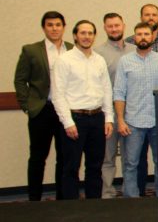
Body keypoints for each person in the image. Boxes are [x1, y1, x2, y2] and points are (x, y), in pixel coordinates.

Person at [51, 20, 114, 199]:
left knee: (95, 166)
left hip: (97, 118)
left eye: (90, 33)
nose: (87, 37)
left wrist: (108, 118)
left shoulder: (99, 60)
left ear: (94, 36)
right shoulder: (64, 60)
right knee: (71, 167)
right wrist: (67, 122)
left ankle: (93, 206)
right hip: (74, 119)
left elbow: (107, 90)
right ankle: (71, 208)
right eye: (83, 33)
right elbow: (58, 95)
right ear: (75, 36)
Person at [16, 11, 72, 201]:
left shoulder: (72, 49)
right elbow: (20, 80)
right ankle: (34, 199)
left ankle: (61, 199)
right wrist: (27, 106)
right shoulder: (31, 50)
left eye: (58, 24)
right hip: (42, 110)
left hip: (65, 111)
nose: (54, 28)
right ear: (44, 28)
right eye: (50, 25)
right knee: (38, 157)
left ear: (64, 27)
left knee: (64, 157)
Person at [114, 22, 158, 197]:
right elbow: (119, 93)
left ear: (152, 36)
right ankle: (132, 200)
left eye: (146, 34)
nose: (143, 37)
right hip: (133, 123)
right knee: (131, 164)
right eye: (139, 34)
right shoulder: (125, 61)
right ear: (134, 37)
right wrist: (121, 120)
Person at [93, 12, 138, 198]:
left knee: (130, 158)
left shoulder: (135, 50)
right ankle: (108, 194)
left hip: (132, 113)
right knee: (108, 157)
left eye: (117, 25)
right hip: (108, 114)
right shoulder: (97, 53)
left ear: (123, 26)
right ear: (104, 28)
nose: (114, 29)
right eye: (110, 26)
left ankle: (129, 193)